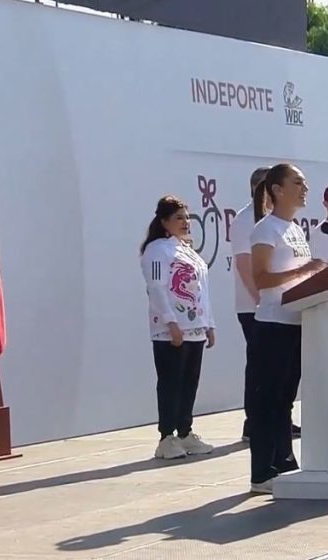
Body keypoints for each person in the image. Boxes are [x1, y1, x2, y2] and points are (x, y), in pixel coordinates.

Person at [248, 163, 325, 494]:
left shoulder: (294, 229)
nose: (305, 188)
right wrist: (305, 270)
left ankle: (285, 462)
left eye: (305, 183)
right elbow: (262, 278)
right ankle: (262, 472)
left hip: (296, 323)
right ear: (277, 190)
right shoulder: (266, 229)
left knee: (285, 400)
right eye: (298, 183)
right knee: (267, 401)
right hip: (272, 326)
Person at [140, 195, 216, 460]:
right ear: (163, 222)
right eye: (178, 218)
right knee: (171, 381)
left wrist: (209, 324)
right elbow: (157, 287)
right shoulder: (156, 250)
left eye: (186, 217)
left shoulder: (189, 252)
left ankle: (185, 431)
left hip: (195, 326)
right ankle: (166, 437)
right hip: (170, 329)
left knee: (189, 383)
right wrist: (170, 321)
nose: (185, 222)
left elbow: (203, 291)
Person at [229, 167, 271, 442]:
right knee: (258, 365)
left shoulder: (271, 220)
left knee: (272, 367)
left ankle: (276, 418)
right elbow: (245, 267)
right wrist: (261, 301)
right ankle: (253, 422)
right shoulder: (246, 221)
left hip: (273, 307)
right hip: (254, 308)